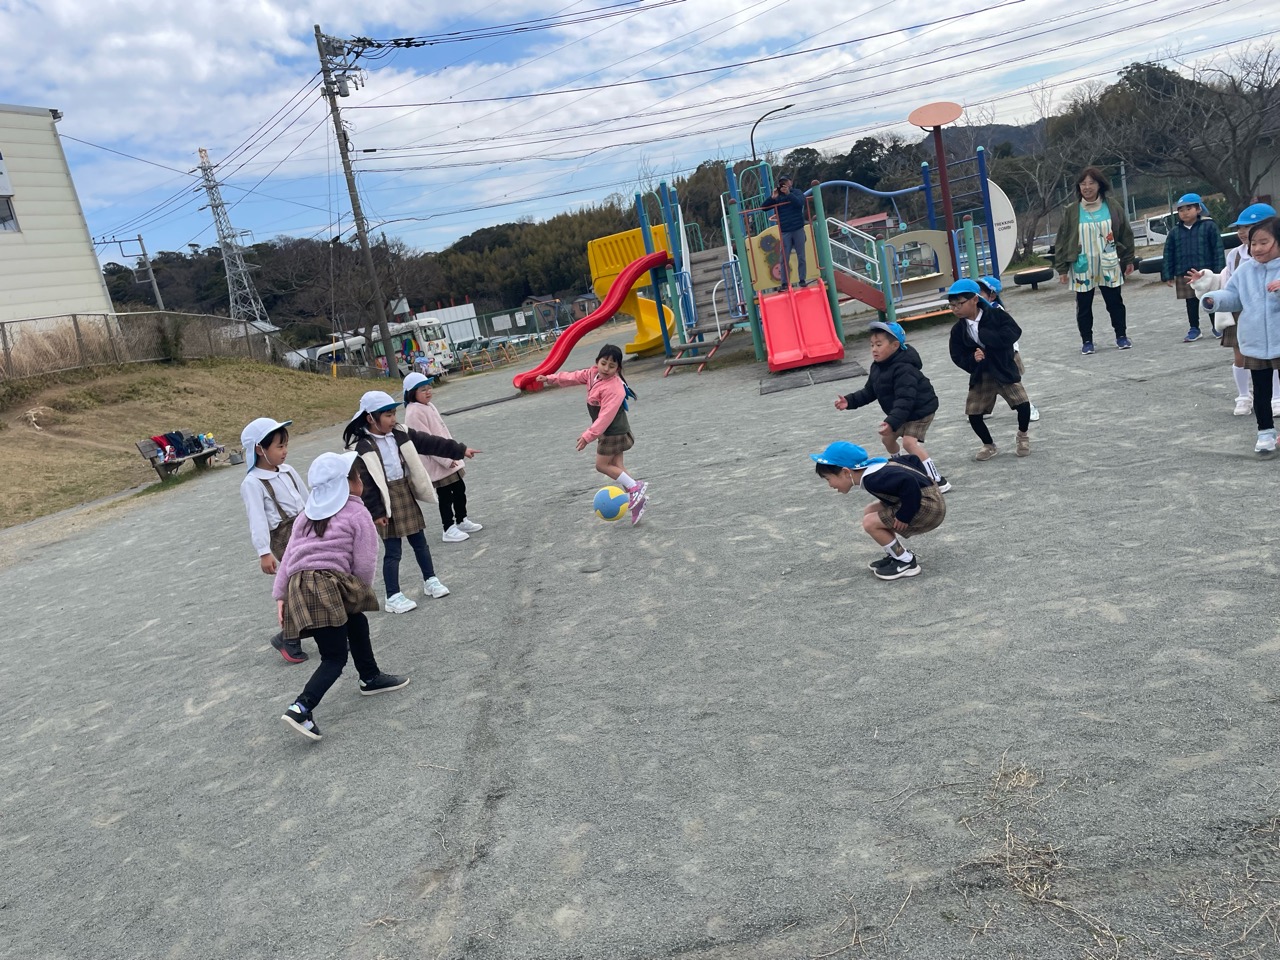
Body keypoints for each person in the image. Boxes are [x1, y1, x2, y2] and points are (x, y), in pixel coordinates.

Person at [276, 452, 409, 742]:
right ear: (346, 484)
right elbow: (365, 560)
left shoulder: (306, 515)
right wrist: (360, 590)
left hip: (299, 585)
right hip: (328, 585)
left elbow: (288, 557)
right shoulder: (356, 512)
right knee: (334, 657)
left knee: (356, 622)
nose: (361, 481)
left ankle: (370, 676)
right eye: (358, 477)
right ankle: (301, 708)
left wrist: (280, 594)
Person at [343, 390, 479, 614]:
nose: (393, 419)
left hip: (403, 492)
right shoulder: (361, 447)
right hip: (384, 501)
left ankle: (430, 580)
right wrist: (376, 512)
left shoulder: (400, 433)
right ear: (370, 418)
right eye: (387, 415)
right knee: (393, 550)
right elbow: (364, 482)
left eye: (394, 413)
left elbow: (430, 443)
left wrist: (460, 450)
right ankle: (393, 595)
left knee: (420, 542)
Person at [536, 343, 649, 526]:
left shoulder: (614, 388)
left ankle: (635, 487)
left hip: (612, 431)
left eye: (612, 366)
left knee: (602, 465)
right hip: (611, 429)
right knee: (617, 466)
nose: (606, 369)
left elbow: (605, 417)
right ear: (597, 362)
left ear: (618, 368)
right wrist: (550, 379)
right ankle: (637, 499)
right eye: (603, 363)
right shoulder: (592, 373)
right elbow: (573, 377)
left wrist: (588, 436)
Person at [835, 319, 950, 493]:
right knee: (887, 439)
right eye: (872, 345)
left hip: (920, 410)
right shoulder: (877, 367)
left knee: (909, 443)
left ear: (895, 346)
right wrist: (850, 401)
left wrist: (891, 421)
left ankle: (938, 480)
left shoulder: (904, 369)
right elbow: (870, 391)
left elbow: (905, 399)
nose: (874, 349)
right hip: (900, 413)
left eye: (879, 344)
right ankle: (903, 465)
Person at [1189, 202, 1280, 415]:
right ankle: (1244, 396)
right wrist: (1206, 282)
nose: (1242, 232)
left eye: (1249, 227)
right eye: (1240, 227)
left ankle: (1276, 397)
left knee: (1274, 359)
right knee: (1241, 355)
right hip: (1243, 314)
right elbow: (1227, 283)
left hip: (1272, 317)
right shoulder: (1235, 255)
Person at [810, 440, 946, 582]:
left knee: (870, 522)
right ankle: (895, 553)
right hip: (927, 498)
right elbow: (912, 459)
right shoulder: (876, 468)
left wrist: (904, 515)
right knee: (870, 511)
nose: (830, 485)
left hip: (929, 507)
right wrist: (927, 484)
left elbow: (908, 480)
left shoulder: (873, 479)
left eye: (828, 479)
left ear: (845, 472)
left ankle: (905, 561)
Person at [1201, 216, 1280, 454]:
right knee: (1262, 390)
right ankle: (1265, 431)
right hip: (1254, 340)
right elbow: (1233, 295)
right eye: (1253, 244)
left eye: (1264, 242)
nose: (1257, 248)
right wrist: (1213, 299)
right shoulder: (1245, 270)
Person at [239, 416, 309, 664]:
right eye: (279, 446)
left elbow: (307, 499)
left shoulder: (288, 471)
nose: (285, 451)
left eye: (285, 445)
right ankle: (289, 637)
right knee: (302, 585)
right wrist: (263, 552)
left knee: (315, 580)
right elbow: (257, 518)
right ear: (260, 449)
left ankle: (326, 632)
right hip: (283, 537)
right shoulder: (253, 483)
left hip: (305, 529)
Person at [946, 278, 1035, 459]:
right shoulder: (957, 330)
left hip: (1002, 367)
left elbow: (1013, 332)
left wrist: (988, 339)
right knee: (973, 414)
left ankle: (1022, 435)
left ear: (974, 299)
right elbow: (957, 355)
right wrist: (972, 359)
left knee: (1023, 405)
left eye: (959, 303)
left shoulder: (996, 315)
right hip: (981, 373)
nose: (955, 308)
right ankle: (988, 444)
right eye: (952, 305)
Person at [1053, 167, 1137, 354]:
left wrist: (1129, 258)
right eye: (1083, 183)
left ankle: (1121, 336)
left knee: (1115, 302)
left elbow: (1125, 233)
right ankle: (1087, 341)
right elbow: (1062, 239)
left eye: (1091, 183)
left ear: (1100, 185)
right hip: (1082, 264)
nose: (1087, 187)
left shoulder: (1112, 206)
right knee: (1083, 305)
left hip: (1109, 262)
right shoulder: (1072, 210)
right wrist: (1062, 269)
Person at [403, 372, 483, 544]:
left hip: (449, 456)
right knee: (445, 496)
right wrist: (446, 459)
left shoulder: (429, 406)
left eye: (429, 387)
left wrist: (453, 452)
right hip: (438, 462)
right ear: (412, 393)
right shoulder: (414, 412)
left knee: (459, 489)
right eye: (422, 389)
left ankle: (461, 519)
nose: (428, 391)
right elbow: (426, 443)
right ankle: (448, 527)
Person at [1162, 193, 1226, 342]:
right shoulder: (1174, 232)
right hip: (1185, 274)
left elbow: (1217, 249)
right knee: (1190, 302)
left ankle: (1217, 326)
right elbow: (1168, 253)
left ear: (1198, 209)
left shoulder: (1209, 226)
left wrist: (1219, 271)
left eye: (1189, 208)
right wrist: (1168, 274)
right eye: (1181, 209)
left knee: (1211, 300)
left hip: (1206, 273)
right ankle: (1194, 328)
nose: (1184, 212)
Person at [977, 276, 1040, 422]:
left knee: (1013, 383)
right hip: (989, 356)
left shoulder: (996, 312)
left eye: (980, 293)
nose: (976, 296)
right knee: (986, 382)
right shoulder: (978, 312)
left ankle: (1028, 406)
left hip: (1008, 355)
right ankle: (984, 408)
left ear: (992, 295)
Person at [760, 175, 809, 289]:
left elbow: (800, 203)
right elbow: (763, 208)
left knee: (801, 255)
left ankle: (802, 279)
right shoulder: (778, 197)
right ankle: (784, 282)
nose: (784, 185)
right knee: (784, 258)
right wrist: (772, 198)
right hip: (785, 230)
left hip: (798, 228)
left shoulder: (796, 192)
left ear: (790, 183)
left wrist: (788, 194)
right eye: (782, 183)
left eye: (786, 182)